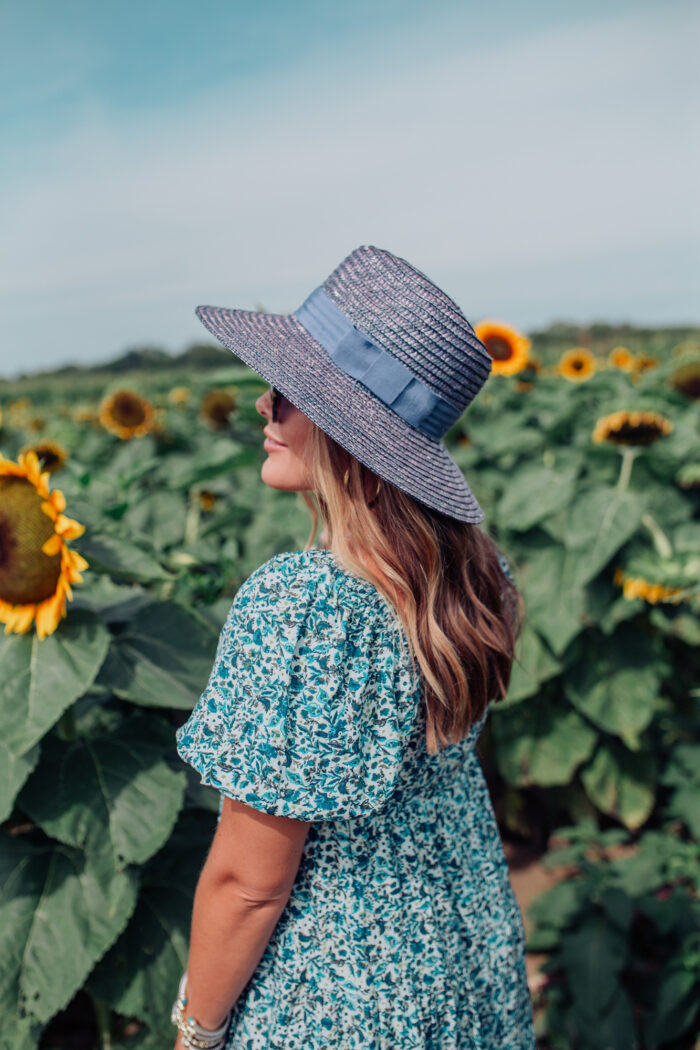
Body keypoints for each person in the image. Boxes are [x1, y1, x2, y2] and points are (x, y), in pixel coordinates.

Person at [171, 245, 536, 1049]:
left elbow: (248, 884)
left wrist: (195, 1032)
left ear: (351, 436)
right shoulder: (474, 572)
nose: (266, 408)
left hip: (338, 993)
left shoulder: (303, 607)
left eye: (292, 396)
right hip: (463, 947)